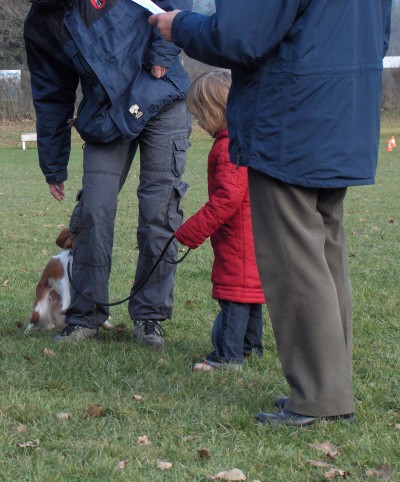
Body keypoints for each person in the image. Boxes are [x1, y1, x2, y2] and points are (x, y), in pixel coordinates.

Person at [149, 1, 391, 424]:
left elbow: (242, 36)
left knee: (296, 264)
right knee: (327, 257)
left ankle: (320, 399)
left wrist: (180, 25)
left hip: (290, 120)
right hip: (344, 111)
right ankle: (330, 387)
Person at [24, 0, 193, 347]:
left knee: (159, 212)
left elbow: (173, 4)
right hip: (106, 115)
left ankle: (149, 316)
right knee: (93, 212)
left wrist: (162, 52)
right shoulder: (41, 26)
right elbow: (51, 95)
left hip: (161, 95)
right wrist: (53, 161)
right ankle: (85, 316)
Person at [174, 71, 265, 372]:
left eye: (200, 116)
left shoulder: (228, 148)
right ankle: (251, 346)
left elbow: (228, 199)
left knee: (234, 292)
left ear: (216, 112)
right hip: (254, 233)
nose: (199, 124)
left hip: (237, 234)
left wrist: (190, 232)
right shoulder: (245, 138)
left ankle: (228, 355)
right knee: (250, 290)